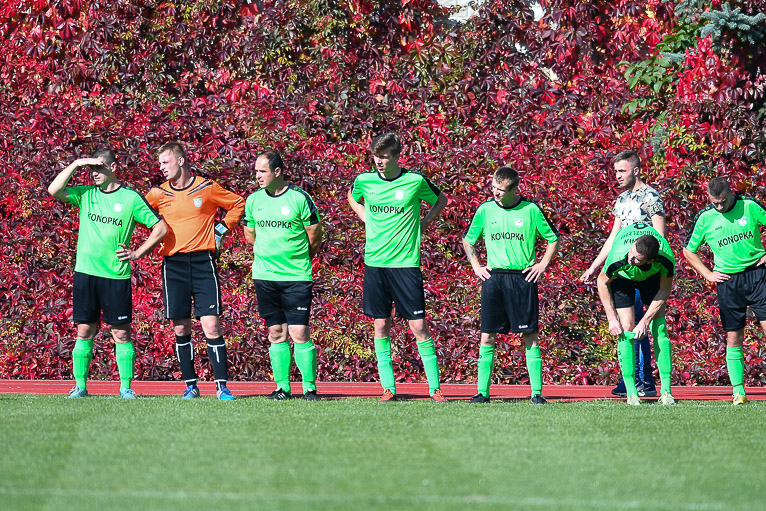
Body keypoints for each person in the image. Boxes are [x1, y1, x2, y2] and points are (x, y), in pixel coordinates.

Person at [47, 148, 168, 399]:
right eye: (91, 169)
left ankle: (126, 388)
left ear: (113, 168)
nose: (94, 174)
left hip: (115, 276)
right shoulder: (86, 194)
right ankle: (80, 387)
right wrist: (77, 163)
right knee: (84, 331)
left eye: (99, 168)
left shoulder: (131, 198)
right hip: (86, 274)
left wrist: (138, 253)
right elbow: (54, 190)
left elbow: (160, 228)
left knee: (121, 333)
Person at [347, 132, 449, 402]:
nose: (379, 162)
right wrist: (364, 216)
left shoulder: (415, 181)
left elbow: (441, 200)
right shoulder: (364, 180)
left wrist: (424, 223)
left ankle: (435, 389)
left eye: (384, 157)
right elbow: (352, 196)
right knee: (381, 325)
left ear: (396, 157)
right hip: (375, 263)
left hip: (405, 264)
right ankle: (389, 388)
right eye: (375, 157)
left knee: (419, 326)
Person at [145, 142, 245, 400]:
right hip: (173, 264)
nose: (161, 167)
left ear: (180, 161)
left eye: (165, 162)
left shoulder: (206, 187)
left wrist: (221, 229)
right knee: (180, 328)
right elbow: (136, 211)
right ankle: (191, 386)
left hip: (203, 262)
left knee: (211, 325)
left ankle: (222, 387)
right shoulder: (157, 193)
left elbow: (237, 203)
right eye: (160, 163)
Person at [462, 166, 559, 404]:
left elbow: (553, 238)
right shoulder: (485, 210)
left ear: (515, 189)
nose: (495, 192)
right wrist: (476, 266)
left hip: (522, 279)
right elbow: (468, 240)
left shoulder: (530, 209)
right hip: (494, 279)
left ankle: (536, 394)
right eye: (493, 187)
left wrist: (542, 265)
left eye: (501, 190)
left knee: (530, 336)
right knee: (487, 336)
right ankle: (482, 393)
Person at [581, 150, 665, 397]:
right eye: (615, 171)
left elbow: (660, 238)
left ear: (636, 170)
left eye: (622, 171)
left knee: (642, 324)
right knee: (628, 326)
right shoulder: (621, 199)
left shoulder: (651, 197)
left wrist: (650, 264)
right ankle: (633, 379)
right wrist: (594, 266)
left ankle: (644, 380)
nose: (617, 175)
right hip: (623, 269)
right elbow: (613, 238)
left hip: (644, 269)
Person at [243, 149, 323, 401]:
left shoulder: (300, 198)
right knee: (276, 332)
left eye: (262, 171)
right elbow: (250, 235)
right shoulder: (253, 200)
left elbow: (314, 234)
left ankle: (310, 388)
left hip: (296, 276)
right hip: (265, 276)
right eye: (256, 171)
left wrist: (300, 257)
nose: (257, 176)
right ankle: (282, 388)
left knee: (299, 332)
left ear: (277, 171)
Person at [683, 177, 766, 405]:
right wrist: (708, 274)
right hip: (728, 282)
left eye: (722, 201)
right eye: (715, 203)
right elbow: (688, 251)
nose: (719, 207)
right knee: (733, 336)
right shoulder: (705, 218)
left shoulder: (749, 205)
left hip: (758, 275)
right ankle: (739, 392)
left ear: (731, 193)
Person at [596, 223, 675, 405]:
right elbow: (602, 282)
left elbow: (664, 290)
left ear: (650, 260)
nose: (630, 258)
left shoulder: (665, 259)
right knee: (626, 329)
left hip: (652, 279)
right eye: (631, 253)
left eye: (637, 259)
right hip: (623, 279)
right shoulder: (619, 256)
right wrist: (611, 319)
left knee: (660, 329)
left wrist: (645, 321)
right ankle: (632, 392)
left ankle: (666, 391)